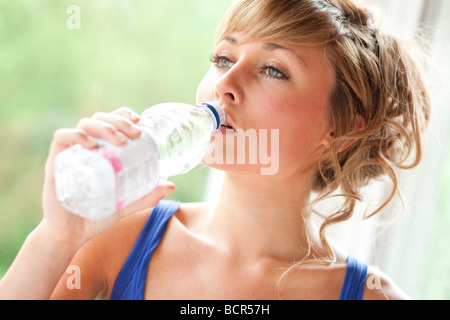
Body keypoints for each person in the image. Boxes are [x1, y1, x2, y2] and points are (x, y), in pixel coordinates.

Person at [0, 0, 430, 300]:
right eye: (224, 58)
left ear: (340, 129)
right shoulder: (122, 238)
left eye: (273, 69)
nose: (225, 83)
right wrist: (56, 240)